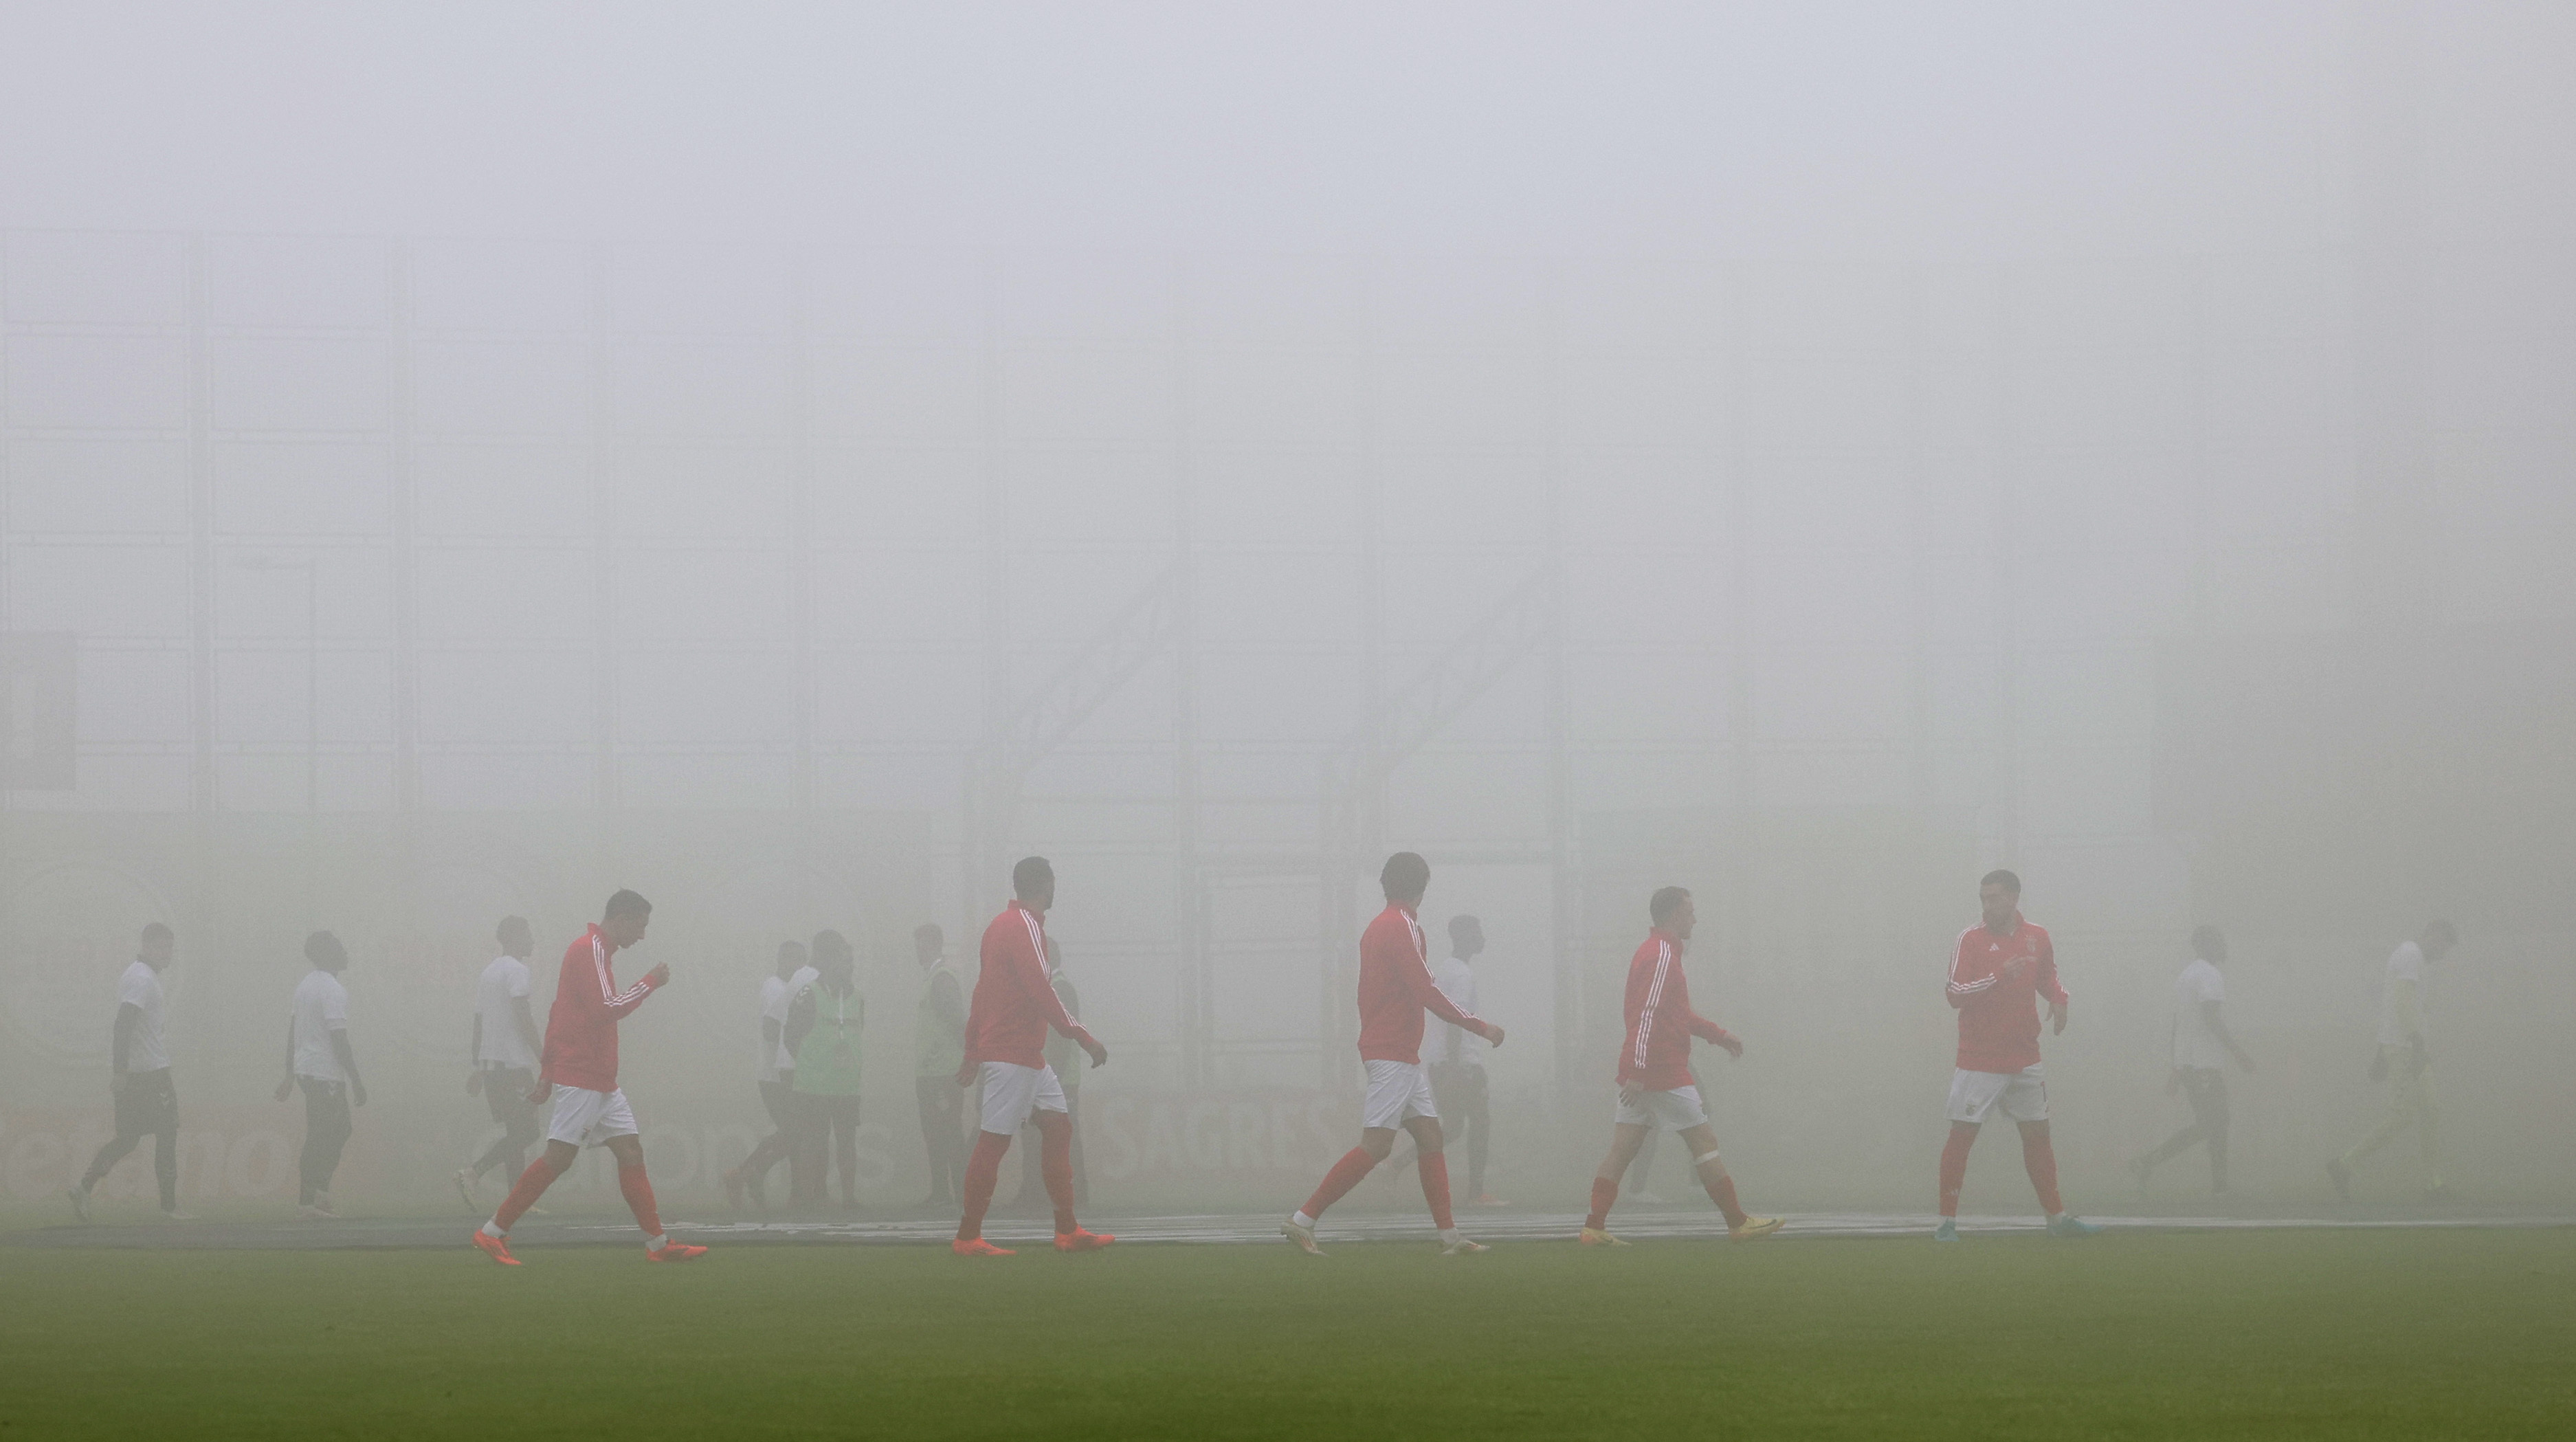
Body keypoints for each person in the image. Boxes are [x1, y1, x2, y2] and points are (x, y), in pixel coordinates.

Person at [1283, 851, 1504, 1258]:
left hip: (1395, 1050)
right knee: (1377, 1146)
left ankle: (1450, 1237)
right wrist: (1481, 1027)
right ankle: (1303, 1220)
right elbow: (1427, 993)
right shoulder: (1405, 927)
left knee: (1430, 1136)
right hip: (1393, 1052)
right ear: (1422, 888)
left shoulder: (1377, 927)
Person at [471, 889, 704, 1265]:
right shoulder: (590, 949)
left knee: (630, 1151)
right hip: (583, 1075)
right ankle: (491, 1232)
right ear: (622, 918)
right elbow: (605, 1010)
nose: (642, 936)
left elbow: (558, 1014)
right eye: (640, 926)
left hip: (598, 1077)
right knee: (558, 1158)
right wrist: (650, 982)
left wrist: (548, 1070)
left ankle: (658, 1246)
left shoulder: (595, 951)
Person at [1579, 888, 1780, 1246]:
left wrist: (1718, 1036)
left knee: (1622, 1149)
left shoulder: (1660, 953)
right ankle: (1738, 1223)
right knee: (1704, 1141)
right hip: (1661, 1071)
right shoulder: (1661, 956)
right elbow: (1647, 1015)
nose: (1695, 919)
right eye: (1690, 912)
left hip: (1644, 1070)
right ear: (1673, 914)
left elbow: (1675, 1014)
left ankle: (1594, 1227)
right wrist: (1640, 1072)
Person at [952, 856, 1113, 1256]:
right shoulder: (1025, 926)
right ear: (1045, 884)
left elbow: (981, 991)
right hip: (1014, 1053)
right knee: (993, 1143)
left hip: (1025, 1054)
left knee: (1058, 1129)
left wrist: (973, 1049)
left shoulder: (997, 927)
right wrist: (1083, 1037)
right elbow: (1042, 989)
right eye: (1054, 883)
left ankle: (1067, 1230)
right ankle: (968, 1237)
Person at [1935, 870, 2099, 1241]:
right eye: (1983, 899)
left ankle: (2056, 1219)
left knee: (2039, 1135)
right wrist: (1996, 975)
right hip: (1979, 1059)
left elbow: (2048, 977)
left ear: (2013, 898)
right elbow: (1954, 993)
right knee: (1962, 1136)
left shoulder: (2036, 936)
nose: (1987, 905)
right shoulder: (1970, 939)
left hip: (2025, 1056)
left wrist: (2059, 998)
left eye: (1994, 898)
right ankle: (1946, 1223)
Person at [2328, 920, 2458, 1201]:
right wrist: (2414, 1040)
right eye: (2444, 945)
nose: (2443, 954)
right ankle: (2344, 1164)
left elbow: (2392, 1004)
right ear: (2433, 935)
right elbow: (2401, 1000)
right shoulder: (2411, 954)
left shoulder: (2411, 958)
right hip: (2405, 1049)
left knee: (2431, 1110)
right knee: (2403, 1116)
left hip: (2408, 1047)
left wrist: (2382, 1049)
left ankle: (2434, 1183)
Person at [69, 923, 191, 1222]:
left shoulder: (139, 976)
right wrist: (120, 1070)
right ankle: (169, 1207)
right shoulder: (141, 978)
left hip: (138, 1072)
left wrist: (122, 1070)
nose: (167, 953)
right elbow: (123, 1024)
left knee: (127, 1139)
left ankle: (84, 1188)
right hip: (150, 1072)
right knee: (167, 1132)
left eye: (170, 947)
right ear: (146, 946)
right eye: (162, 947)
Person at [2131, 925, 2255, 1197]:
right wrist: (2239, 1052)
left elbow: (2180, 1024)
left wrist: (2177, 1066)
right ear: (2206, 946)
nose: (2223, 946)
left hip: (2193, 1063)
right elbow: (2210, 1018)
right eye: (2218, 941)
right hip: (2203, 1064)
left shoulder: (2186, 975)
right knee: (2215, 1122)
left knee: (2213, 1123)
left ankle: (2153, 1164)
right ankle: (2215, 1186)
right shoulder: (2209, 975)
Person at [456, 916, 545, 1210]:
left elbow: (478, 1021)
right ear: (515, 937)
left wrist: (479, 1066)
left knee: (515, 1131)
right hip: (512, 1065)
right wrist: (542, 1055)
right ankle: (473, 1172)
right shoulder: (517, 970)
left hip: (494, 1065)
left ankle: (517, 1200)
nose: (532, 939)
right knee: (527, 1132)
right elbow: (523, 1015)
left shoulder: (488, 973)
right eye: (528, 933)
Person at [274, 931, 365, 1220]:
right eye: (340, 948)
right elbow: (339, 1038)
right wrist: (357, 1080)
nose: (345, 952)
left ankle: (319, 1195)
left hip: (309, 1069)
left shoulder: (305, 986)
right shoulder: (331, 988)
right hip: (322, 1071)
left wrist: (290, 1071)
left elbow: (293, 1029)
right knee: (321, 1134)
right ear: (327, 954)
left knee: (338, 1130)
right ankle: (307, 1202)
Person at [722, 940, 813, 1207]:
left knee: (795, 1133)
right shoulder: (777, 989)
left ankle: (755, 1174)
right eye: (793, 960)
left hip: (785, 1072)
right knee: (795, 1131)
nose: (798, 966)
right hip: (775, 1074)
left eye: (802, 961)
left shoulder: (790, 988)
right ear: (781, 961)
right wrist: (800, 1037)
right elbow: (770, 1030)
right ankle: (745, 1173)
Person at [1424, 914, 1503, 1208]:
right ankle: (1476, 1194)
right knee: (1480, 1121)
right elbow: (1455, 1019)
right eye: (1477, 932)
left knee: (1454, 1127)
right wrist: (1456, 1066)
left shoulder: (1447, 970)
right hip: (1460, 1063)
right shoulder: (1461, 975)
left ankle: (1395, 1166)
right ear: (1464, 937)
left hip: (1442, 1060)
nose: (1482, 937)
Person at [788, 930, 865, 1210]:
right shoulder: (809, 993)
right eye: (845, 963)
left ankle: (849, 1199)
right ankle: (808, 1197)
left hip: (846, 1086)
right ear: (831, 962)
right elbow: (791, 1038)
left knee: (847, 1142)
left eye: (852, 964)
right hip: (813, 1085)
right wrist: (814, 1062)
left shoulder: (858, 997)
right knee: (812, 1143)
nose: (850, 968)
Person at [1012, 936, 1088, 1209]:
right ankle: (1034, 1192)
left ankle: (1074, 1197)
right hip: (1043, 1074)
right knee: (1035, 1135)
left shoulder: (1061, 989)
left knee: (1063, 1138)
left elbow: (1063, 1037)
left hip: (1058, 1078)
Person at [911, 922, 969, 1207]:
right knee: (935, 1133)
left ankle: (958, 1192)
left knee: (948, 1132)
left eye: (920, 943)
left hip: (943, 1072)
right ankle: (941, 1192)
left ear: (933, 943)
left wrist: (967, 1058)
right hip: (931, 1072)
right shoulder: (932, 978)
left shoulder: (942, 979)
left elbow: (958, 1021)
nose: (917, 950)